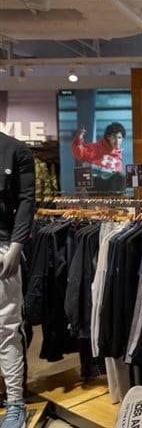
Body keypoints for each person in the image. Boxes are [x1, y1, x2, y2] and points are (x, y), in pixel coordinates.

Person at [0, 132, 36, 428]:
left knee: (7, 327)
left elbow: (26, 200)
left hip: (3, 246)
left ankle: (14, 402)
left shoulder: (15, 149)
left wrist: (16, 244)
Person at [70, 122, 126, 194]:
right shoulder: (95, 148)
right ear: (108, 137)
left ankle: (115, 200)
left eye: (119, 138)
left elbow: (118, 181)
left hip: (109, 191)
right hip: (95, 185)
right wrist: (78, 139)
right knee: (119, 176)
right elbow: (79, 154)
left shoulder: (118, 157)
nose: (117, 141)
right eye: (114, 137)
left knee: (121, 176)